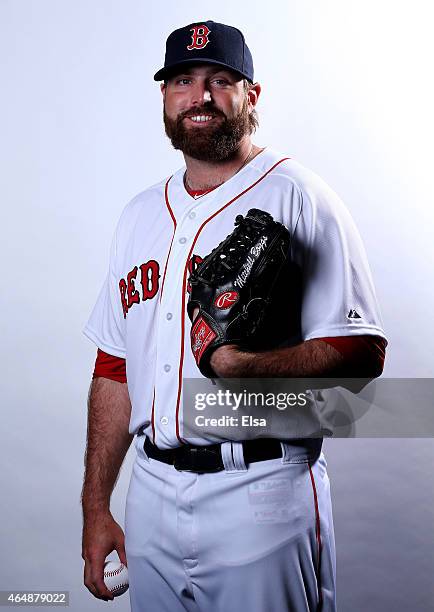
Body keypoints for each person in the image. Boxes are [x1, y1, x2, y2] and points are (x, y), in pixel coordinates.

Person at [81, 20, 387, 612]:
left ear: (252, 95)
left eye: (221, 80)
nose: (200, 97)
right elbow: (114, 365)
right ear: (166, 97)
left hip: (261, 491)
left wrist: (245, 365)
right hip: (151, 497)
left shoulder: (298, 194)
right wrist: (98, 506)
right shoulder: (138, 215)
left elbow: (361, 353)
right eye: (183, 81)